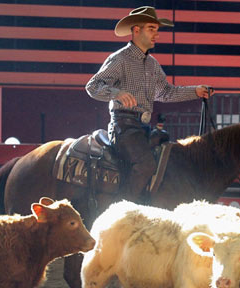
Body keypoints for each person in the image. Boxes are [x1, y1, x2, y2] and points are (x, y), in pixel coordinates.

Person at [86, 6, 213, 203]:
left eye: (157, 29)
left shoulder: (152, 64)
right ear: (136, 30)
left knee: (169, 157)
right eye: (152, 29)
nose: (157, 35)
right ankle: (123, 209)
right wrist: (117, 93)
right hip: (124, 126)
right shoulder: (120, 59)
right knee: (145, 165)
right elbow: (93, 85)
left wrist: (195, 91)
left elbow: (166, 92)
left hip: (142, 127)